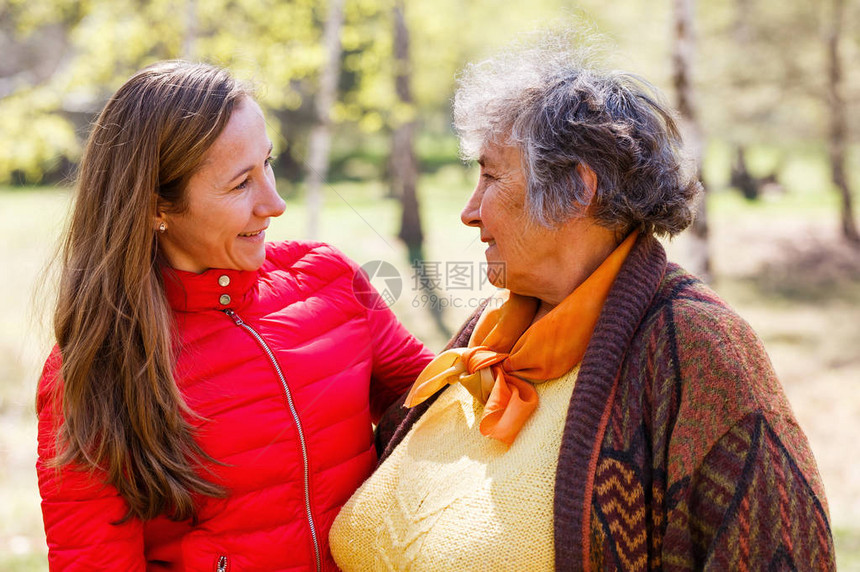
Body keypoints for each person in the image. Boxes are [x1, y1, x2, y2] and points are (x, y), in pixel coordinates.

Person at [329, 35, 836, 570]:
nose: (470, 211)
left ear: (576, 189)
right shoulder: (494, 326)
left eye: (491, 176)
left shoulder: (697, 348)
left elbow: (785, 553)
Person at [36, 60, 434, 571]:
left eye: (267, 163)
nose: (275, 202)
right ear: (158, 205)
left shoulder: (330, 279)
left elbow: (434, 406)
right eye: (240, 183)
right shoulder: (95, 368)